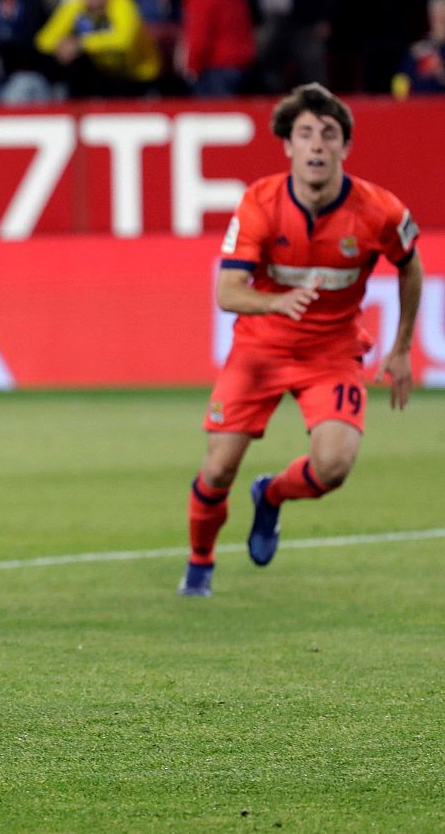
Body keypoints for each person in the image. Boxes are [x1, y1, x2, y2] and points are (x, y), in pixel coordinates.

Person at [180, 84, 422, 597]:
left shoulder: (379, 210)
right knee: (219, 466)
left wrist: (400, 347)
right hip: (260, 349)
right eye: (305, 134)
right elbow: (227, 291)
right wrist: (275, 303)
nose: (316, 145)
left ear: (345, 148)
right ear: (287, 146)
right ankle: (200, 565)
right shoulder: (260, 203)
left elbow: (410, 267)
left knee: (333, 467)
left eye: (328, 135)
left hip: (331, 352)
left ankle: (271, 494)